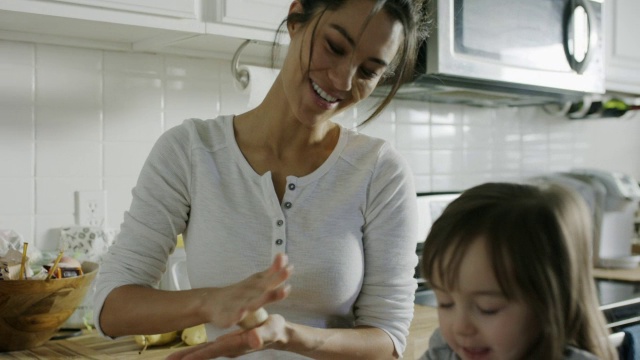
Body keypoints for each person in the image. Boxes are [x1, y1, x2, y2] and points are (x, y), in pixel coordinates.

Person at [93, 1, 429, 359]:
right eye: (334, 46)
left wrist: (290, 336)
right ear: (297, 19)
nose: (343, 80)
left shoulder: (380, 171)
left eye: (368, 71)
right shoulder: (191, 151)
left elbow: (389, 340)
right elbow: (110, 305)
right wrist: (210, 301)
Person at [419, 182, 618, 360]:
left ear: (548, 303)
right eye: (445, 303)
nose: (460, 327)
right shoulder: (443, 353)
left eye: (488, 308)